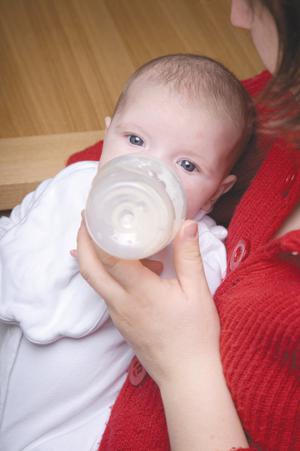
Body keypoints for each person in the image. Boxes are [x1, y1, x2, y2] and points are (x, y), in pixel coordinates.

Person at [75, 1, 300, 450]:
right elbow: (179, 116)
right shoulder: (284, 103)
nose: (236, 14)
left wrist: (184, 367)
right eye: (136, 141)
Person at [0, 54, 254, 451]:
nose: (149, 170)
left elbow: (201, 320)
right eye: (135, 140)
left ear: (219, 189)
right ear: (108, 134)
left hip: (68, 425)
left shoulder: (200, 250)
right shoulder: (73, 183)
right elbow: (16, 229)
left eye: (186, 165)